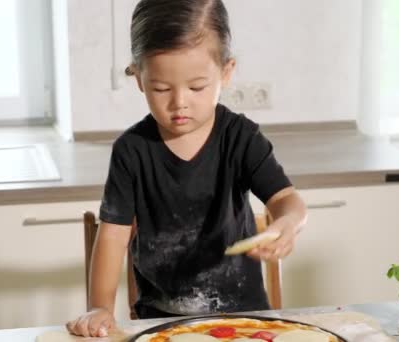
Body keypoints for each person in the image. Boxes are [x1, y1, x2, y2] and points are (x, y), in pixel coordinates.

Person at [66, 0, 307, 337]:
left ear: (226, 71)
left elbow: (287, 199)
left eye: (196, 87)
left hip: (243, 317)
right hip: (160, 322)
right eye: (161, 88)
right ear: (138, 77)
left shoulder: (240, 138)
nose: (179, 102)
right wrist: (101, 308)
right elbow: (113, 235)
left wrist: (288, 222)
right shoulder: (131, 152)